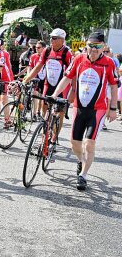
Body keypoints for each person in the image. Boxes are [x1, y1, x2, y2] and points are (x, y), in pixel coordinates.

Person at [51, 32, 118, 190]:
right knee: (74, 143)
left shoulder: (109, 63)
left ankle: (83, 176)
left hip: (98, 110)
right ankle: (81, 160)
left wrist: (113, 108)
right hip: (79, 108)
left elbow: (114, 86)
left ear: (103, 47)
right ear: (86, 45)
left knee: (89, 143)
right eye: (90, 46)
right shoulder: (79, 59)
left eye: (97, 47)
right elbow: (67, 77)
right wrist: (54, 95)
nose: (93, 50)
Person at [23, 28, 73, 140]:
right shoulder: (47, 50)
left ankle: (54, 138)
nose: (51, 40)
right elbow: (37, 67)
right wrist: (26, 79)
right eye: (51, 37)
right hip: (48, 84)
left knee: (60, 113)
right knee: (44, 109)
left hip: (62, 87)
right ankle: (45, 134)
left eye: (54, 38)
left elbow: (72, 74)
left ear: (62, 39)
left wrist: (73, 91)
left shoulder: (67, 53)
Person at [28, 40, 47, 120]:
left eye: (39, 48)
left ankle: (40, 112)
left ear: (44, 48)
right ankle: (34, 113)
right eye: (35, 47)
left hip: (45, 78)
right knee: (35, 94)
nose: (36, 49)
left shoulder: (48, 56)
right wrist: (29, 76)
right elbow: (30, 67)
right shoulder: (33, 56)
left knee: (42, 97)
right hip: (36, 77)